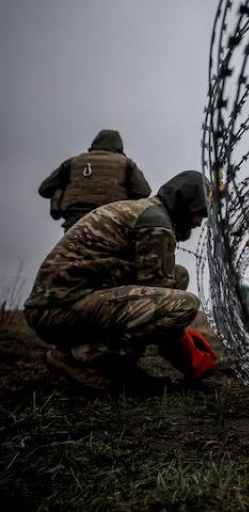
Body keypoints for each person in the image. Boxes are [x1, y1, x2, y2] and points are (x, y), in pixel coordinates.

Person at [23, 171, 213, 391]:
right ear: (182, 204)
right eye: (198, 213)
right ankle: (80, 359)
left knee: (178, 276)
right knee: (185, 304)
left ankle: (113, 366)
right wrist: (189, 356)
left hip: (61, 303)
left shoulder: (146, 211)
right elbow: (161, 307)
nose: (199, 222)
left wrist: (182, 337)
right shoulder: (156, 223)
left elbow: (156, 291)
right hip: (58, 309)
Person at [38, 129, 151, 231]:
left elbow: (45, 189)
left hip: (75, 222)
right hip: (111, 221)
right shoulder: (126, 164)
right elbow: (143, 192)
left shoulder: (73, 162)